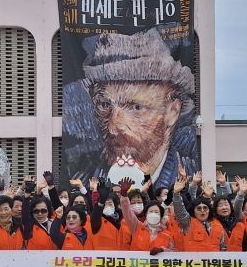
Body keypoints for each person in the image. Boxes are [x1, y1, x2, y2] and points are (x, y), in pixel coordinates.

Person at [62, 27, 198, 188]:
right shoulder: (83, 177)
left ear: (172, 112)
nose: (113, 127)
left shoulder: (189, 176)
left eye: (136, 107)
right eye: (105, 105)